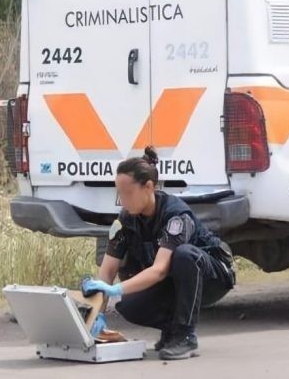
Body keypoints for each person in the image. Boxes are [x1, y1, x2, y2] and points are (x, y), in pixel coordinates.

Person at [82, 147, 235, 361]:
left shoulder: (175, 214)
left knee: (184, 255)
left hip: (213, 277)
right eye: (119, 194)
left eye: (128, 193)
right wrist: (96, 311)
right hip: (177, 279)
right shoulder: (126, 219)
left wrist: (116, 288)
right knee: (129, 306)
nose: (123, 200)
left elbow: (160, 270)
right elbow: (108, 270)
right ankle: (172, 331)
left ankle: (185, 335)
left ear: (149, 187)